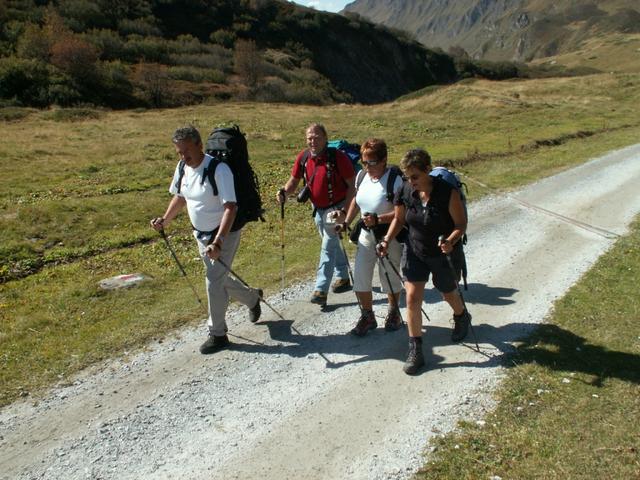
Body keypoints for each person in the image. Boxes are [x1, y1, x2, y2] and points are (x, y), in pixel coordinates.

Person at [150, 126, 262, 354]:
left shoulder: (219, 170)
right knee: (217, 278)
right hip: (201, 236)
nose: (183, 157)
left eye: (187, 151)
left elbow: (231, 207)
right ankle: (251, 298)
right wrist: (164, 220)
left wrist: (219, 241)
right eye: (179, 152)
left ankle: (218, 334)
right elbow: (180, 197)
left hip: (224, 234)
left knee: (213, 280)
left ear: (200, 145)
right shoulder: (183, 167)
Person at [377, 148, 471, 375]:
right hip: (415, 250)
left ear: (428, 170)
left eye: (415, 177)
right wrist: (387, 240)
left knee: (447, 292)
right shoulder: (405, 190)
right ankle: (415, 349)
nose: (411, 182)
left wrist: (450, 240)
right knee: (412, 297)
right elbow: (399, 220)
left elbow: (461, 224)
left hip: (442, 252)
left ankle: (461, 316)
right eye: (408, 177)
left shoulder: (447, 192)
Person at [277, 123, 356, 307]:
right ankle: (343, 277)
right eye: (309, 138)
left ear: (325, 138)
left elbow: (352, 185)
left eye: (317, 137)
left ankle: (320, 290)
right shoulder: (303, 157)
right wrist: (284, 192)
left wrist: (345, 211)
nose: (313, 141)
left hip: (335, 209)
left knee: (327, 247)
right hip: (318, 209)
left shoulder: (338, 157)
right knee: (332, 244)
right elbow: (294, 181)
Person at [335, 138, 404, 336]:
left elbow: (402, 214)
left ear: (384, 160)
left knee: (389, 276)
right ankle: (368, 316)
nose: (367, 166)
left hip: (389, 235)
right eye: (365, 162)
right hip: (366, 235)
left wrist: (379, 218)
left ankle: (394, 312)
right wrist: (346, 222)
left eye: (372, 162)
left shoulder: (395, 180)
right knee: (361, 276)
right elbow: (357, 201)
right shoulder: (362, 176)